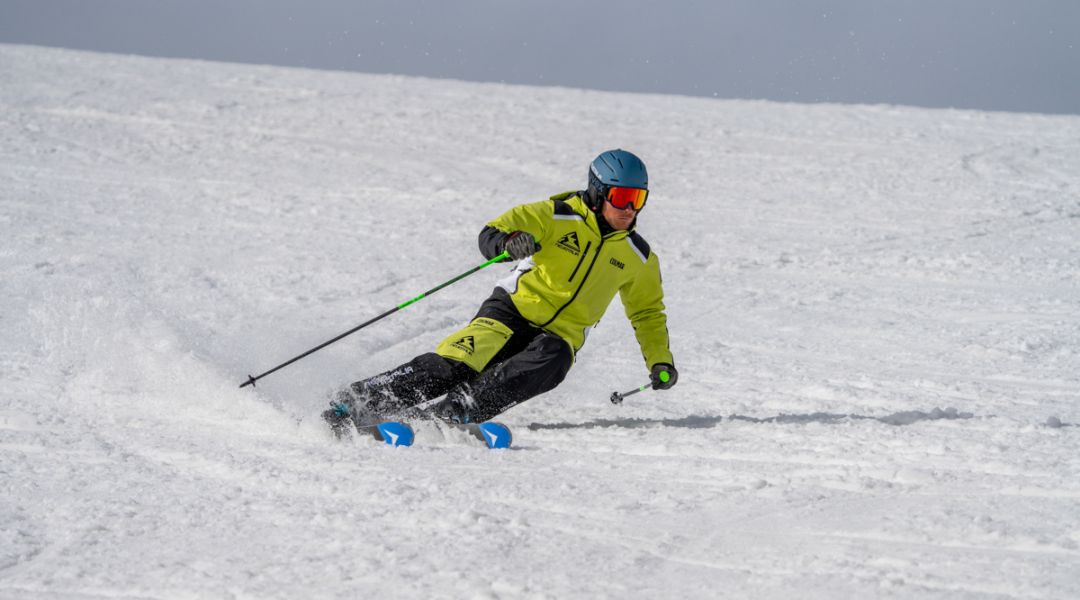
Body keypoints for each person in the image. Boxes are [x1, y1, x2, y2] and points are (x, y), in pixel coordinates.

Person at [322, 149, 677, 431]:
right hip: (510, 312)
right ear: (599, 192)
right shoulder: (556, 215)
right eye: (622, 196)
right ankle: (357, 400)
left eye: (639, 199)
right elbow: (492, 232)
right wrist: (509, 241)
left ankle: (456, 411)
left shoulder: (638, 257)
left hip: (560, 335)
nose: (630, 208)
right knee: (457, 364)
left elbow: (647, 312)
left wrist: (660, 360)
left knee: (550, 363)